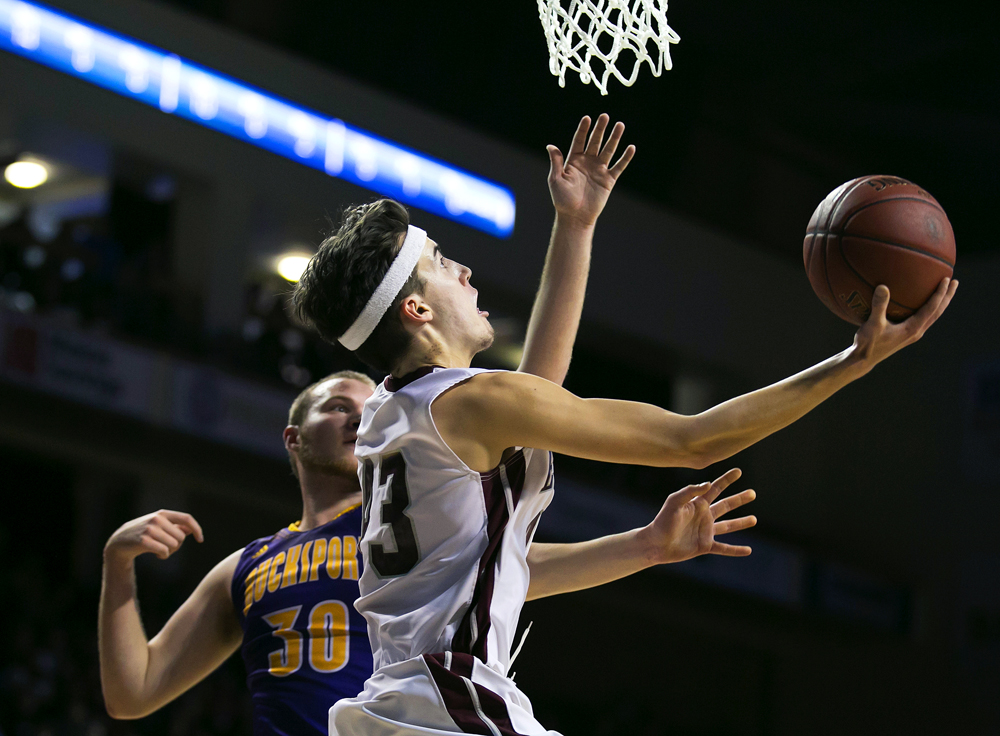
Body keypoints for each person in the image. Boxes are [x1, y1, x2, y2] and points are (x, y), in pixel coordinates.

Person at [290, 112, 959, 735]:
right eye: (440, 262)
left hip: (398, 707)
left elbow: (503, 555)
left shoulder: (392, 413)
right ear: (416, 310)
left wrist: (575, 226)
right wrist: (855, 361)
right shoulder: (469, 403)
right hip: (450, 704)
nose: (462, 269)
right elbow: (693, 441)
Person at [98, 114, 756, 736]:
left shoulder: (412, 497)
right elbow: (136, 690)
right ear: (292, 439)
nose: (362, 413)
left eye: (368, 402)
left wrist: (644, 545)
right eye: (336, 405)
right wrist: (117, 563)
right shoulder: (248, 567)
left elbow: (516, 549)